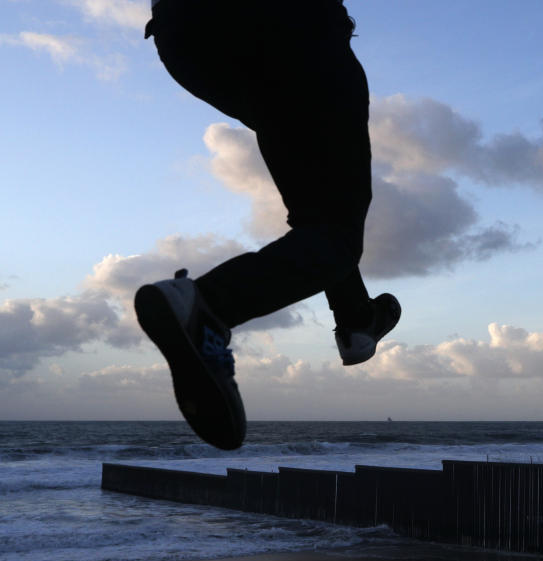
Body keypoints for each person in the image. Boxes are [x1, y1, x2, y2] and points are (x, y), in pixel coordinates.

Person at [135, 0, 400, 450]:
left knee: (321, 219)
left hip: (186, 38)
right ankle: (207, 307)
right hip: (291, 29)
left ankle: (356, 321)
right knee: (336, 231)